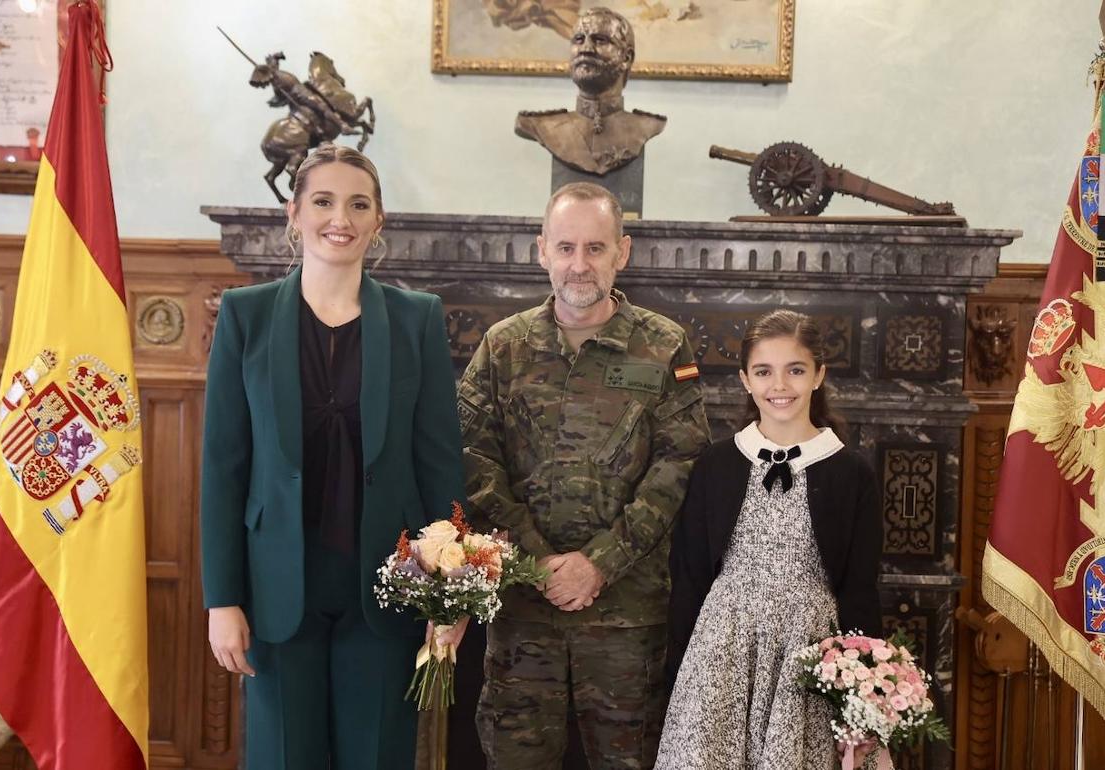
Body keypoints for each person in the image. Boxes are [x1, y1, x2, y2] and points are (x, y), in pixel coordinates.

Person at [200, 142, 467, 770]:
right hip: (274, 593)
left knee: (377, 756)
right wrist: (222, 599)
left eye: (357, 204)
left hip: (386, 588)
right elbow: (222, 467)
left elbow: (438, 464)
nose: (339, 218)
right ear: (293, 213)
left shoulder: (416, 319)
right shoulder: (246, 315)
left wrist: (448, 597)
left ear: (378, 221)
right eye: (322, 201)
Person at [457, 181, 710, 769]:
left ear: (622, 252)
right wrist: (535, 560)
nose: (579, 264)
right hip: (522, 609)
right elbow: (473, 458)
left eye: (595, 248)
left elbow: (681, 464)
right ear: (541, 250)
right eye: (566, 247)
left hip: (626, 614)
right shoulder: (504, 347)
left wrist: (600, 561)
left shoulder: (663, 345)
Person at [658, 309, 883, 770]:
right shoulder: (717, 464)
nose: (779, 386)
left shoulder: (851, 472)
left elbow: (859, 589)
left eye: (795, 370)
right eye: (764, 372)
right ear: (745, 379)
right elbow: (690, 576)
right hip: (721, 649)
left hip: (808, 653)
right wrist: (677, 672)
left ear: (818, 375)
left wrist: (863, 690)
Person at [515, 7, 666, 176]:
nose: (585, 48)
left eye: (600, 40)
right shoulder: (542, 126)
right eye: (578, 39)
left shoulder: (646, 126)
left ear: (626, 57)